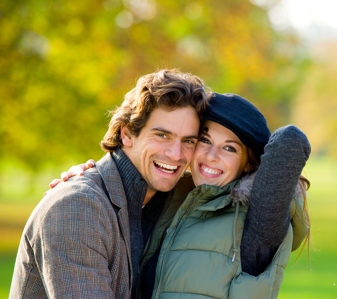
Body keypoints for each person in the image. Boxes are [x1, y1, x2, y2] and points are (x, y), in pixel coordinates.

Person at [52, 93, 311, 298]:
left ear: (248, 163)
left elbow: (290, 141)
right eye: (204, 140)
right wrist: (90, 177)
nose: (211, 156)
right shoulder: (171, 200)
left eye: (230, 148)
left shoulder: (256, 222)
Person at [9, 69, 211, 298]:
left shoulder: (168, 202)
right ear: (127, 134)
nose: (176, 154)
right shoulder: (78, 207)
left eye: (188, 141)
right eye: (162, 135)